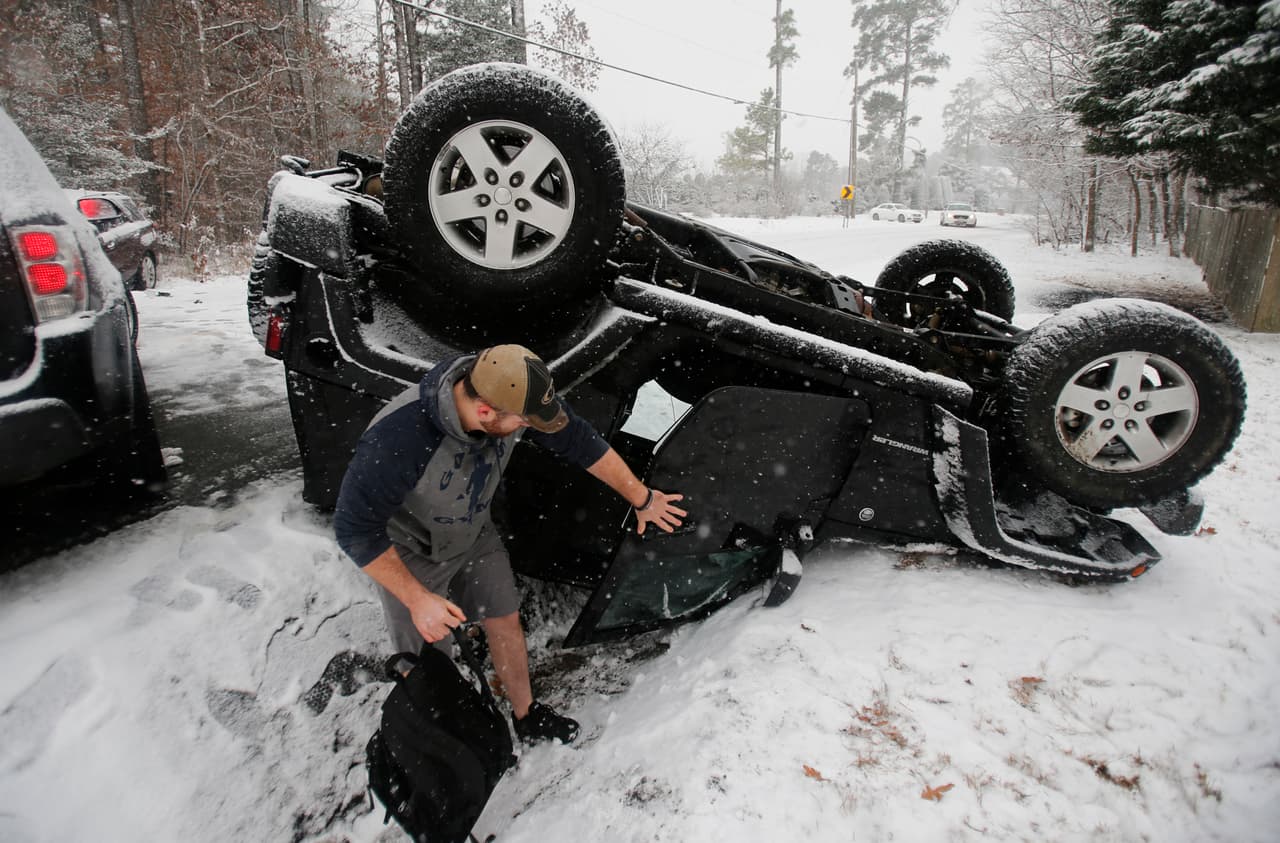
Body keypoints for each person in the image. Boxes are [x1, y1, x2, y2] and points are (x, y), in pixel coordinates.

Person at [334, 344, 686, 745]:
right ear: (485, 412)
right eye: (523, 422)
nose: (528, 427)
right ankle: (443, 745)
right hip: (412, 550)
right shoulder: (399, 439)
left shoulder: (507, 385)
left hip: (472, 531)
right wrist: (416, 598)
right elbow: (353, 529)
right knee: (429, 662)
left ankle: (526, 715)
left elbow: (580, 441)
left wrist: (643, 499)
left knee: (504, 618)